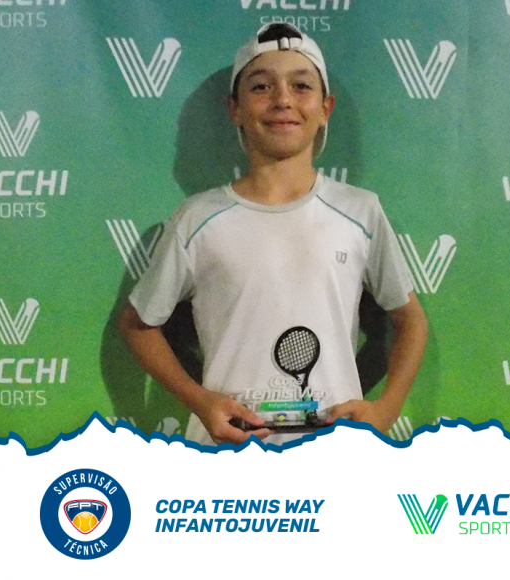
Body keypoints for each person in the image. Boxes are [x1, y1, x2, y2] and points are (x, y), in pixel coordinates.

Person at [119, 23, 428, 446]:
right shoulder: (196, 219)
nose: (283, 100)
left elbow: (410, 320)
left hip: (334, 455)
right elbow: (138, 325)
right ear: (235, 109)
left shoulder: (361, 211)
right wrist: (201, 401)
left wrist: (386, 409)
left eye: (301, 86)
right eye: (261, 86)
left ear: (326, 108)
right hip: (227, 458)